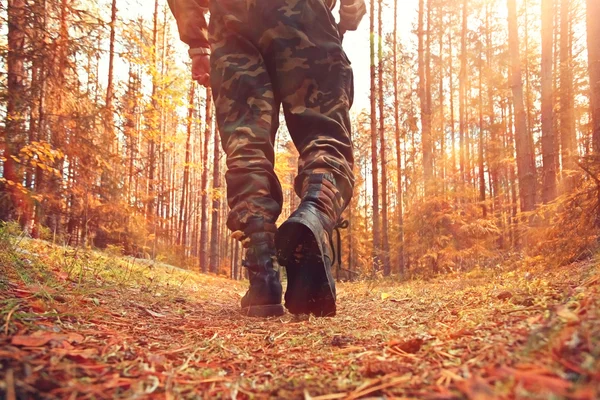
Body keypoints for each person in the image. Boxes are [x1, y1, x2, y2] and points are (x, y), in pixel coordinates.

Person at [168, 0, 365, 317]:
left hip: (231, 18)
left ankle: (263, 277)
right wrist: (350, 11)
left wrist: (197, 44)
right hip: (305, 12)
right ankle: (314, 212)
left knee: (246, 143)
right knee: (324, 130)